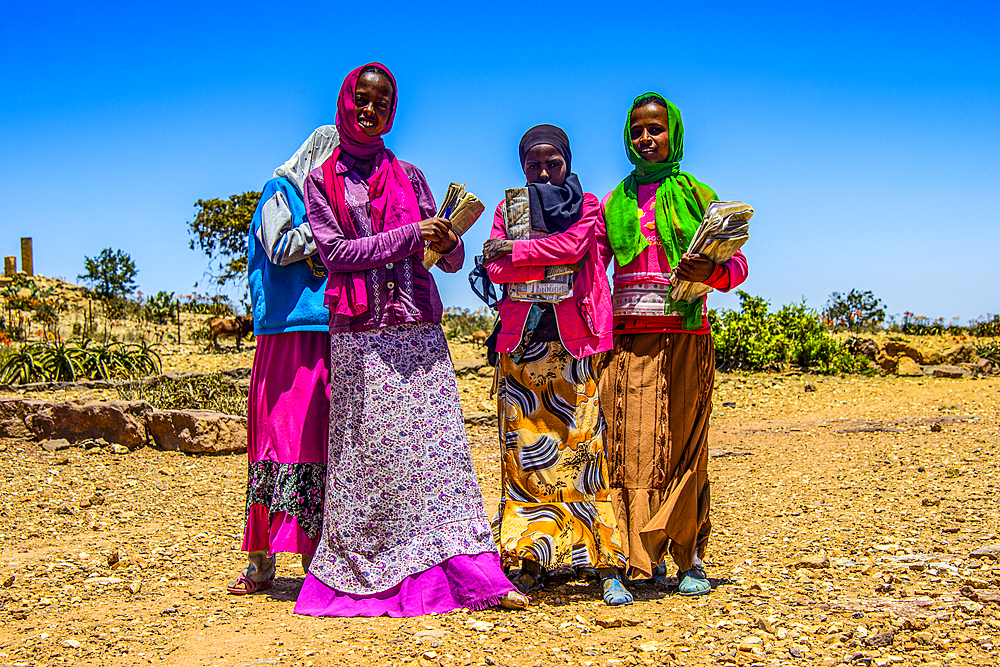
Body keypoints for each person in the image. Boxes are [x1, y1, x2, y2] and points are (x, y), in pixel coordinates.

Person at [293, 63, 526, 616]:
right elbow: (336, 255)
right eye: (362, 101)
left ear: (393, 113)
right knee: (371, 461)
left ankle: (463, 572)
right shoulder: (321, 181)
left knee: (438, 456)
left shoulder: (412, 176)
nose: (370, 111)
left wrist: (446, 242)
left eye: (382, 104)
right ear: (346, 103)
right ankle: (371, 572)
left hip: (418, 328)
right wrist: (410, 235)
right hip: (362, 338)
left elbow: (448, 262)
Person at [595, 93, 748, 596]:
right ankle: (629, 559)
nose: (645, 138)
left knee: (684, 446)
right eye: (637, 130)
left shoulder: (703, 198)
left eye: (655, 129)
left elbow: (739, 264)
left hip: (687, 337)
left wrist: (716, 272)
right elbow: (594, 266)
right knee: (629, 450)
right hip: (627, 342)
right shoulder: (611, 203)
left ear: (673, 133)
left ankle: (688, 557)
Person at [483, 125, 631, 606]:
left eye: (553, 163)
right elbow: (497, 270)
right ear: (522, 166)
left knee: (584, 454)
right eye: (534, 164)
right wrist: (528, 259)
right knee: (525, 459)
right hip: (522, 349)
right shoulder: (510, 210)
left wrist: (521, 252)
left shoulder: (587, 205)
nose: (544, 172)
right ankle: (530, 559)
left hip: (574, 347)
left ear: (567, 161)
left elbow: (574, 248)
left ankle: (601, 564)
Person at [229, 125, 340, 595]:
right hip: (285, 336)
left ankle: (318, 560)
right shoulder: (282, 191)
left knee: (319, 442)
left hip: (329, 333)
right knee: (277, 442)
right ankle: (260, 559)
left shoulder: (335, 200)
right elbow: (278, 247)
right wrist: (333, 232)